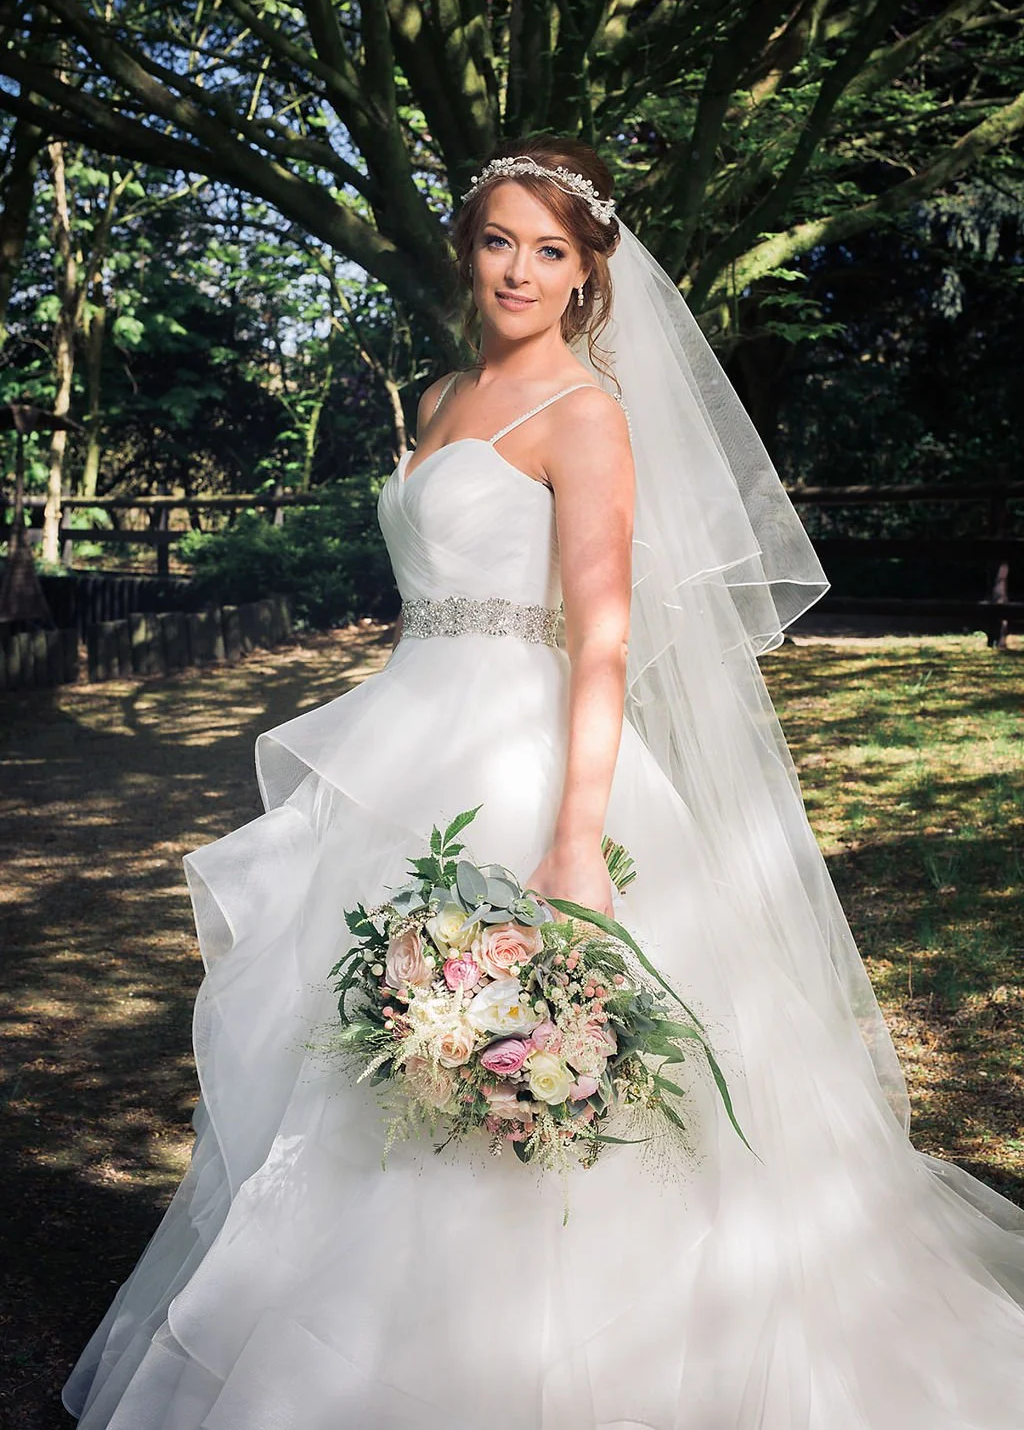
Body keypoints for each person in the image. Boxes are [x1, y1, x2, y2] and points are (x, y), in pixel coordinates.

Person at [64, 138, 1024, 1429]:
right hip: (405, 742)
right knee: (358, 1063)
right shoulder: (443, 396)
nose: (519, 269)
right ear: (468, 251)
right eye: (499, 240)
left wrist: (577, 839)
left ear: (588, 273)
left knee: (519, 1069)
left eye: (550, 250)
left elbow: (603, 635)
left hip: (529, 760)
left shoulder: (587, 416)